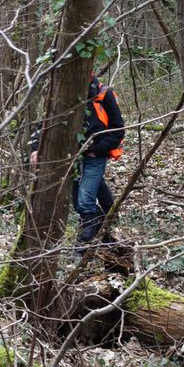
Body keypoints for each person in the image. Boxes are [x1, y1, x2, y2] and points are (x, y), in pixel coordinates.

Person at [29, 73, 124, 252]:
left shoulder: (105, 95)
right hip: (71, 157)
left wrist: (96, 148)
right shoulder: (62, 95)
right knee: (79, 200)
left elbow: (118, 129)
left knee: (85, 202)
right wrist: (36, 148)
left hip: (96, 157)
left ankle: (81, 248)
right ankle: (107, 231)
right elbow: (45, 125)